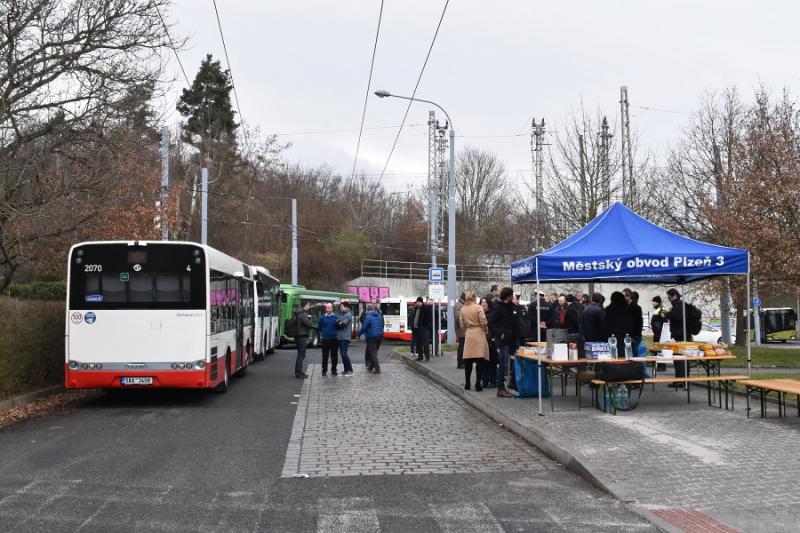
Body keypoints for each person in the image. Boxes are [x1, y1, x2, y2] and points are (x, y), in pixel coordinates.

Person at [488, 287, 519, 398]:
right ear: (508, 296)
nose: (513, 297)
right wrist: (499, 333)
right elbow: (490, 322)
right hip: (503, 341)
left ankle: (513, 383)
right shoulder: (498, 307)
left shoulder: (511, 307)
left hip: (513, 340)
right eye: (512, 295)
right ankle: (500, 388)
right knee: (503, 363)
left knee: (515, 362)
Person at [459, 291, 489, 391]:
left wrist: (467, 330)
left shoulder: (463, 309)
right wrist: (485, 330)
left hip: (469, 334)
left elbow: (462, 324)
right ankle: (478, 384)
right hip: (479, 333)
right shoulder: (478, 307)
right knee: (480, 360)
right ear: (474, 297)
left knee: (468, 360)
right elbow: (483, 321)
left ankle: (467, 383)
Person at [662, 288, 692, 384]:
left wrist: (667, 314)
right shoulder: (679, 304)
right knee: (680, 358)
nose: (668, 298)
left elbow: (676, 317)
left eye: (669, 296)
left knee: (679, 359)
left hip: (681, 334)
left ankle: (681, 380)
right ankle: (681, 380)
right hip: (682, 333)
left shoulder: (678, 304)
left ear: (674, 295)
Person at [359, 303, 384, 374]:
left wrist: (358, 334)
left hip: (372, 337)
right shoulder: (379, 315)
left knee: (373, 353)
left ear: (367, 310)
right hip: (380, 336)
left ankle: (377, 369)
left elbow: (364, 327)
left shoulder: (368, 317)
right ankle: (371, 367)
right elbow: (382, 325)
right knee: (374, 352)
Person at [480, 297, 498, 388]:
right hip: (481, 341)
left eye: (485, 302)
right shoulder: (479, 314)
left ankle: (493, 380)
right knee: (483, 362)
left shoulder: (493, 314)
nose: (483, 304)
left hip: (492, 342)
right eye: (482, 302)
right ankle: (484, 380)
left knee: (492, 362)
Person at [318, 303, 339, 376]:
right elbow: (320, 327)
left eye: (329, 308)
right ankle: (324, 370)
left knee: (334, 356)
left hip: (334, 339)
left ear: (332, 309)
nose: (327, 309)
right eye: (326, 308)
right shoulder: (322, 318)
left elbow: (338, 327)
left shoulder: (336, 317)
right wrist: (324, 332)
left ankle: (334, 370)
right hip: (325, 339)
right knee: (325, 356)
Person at [293, 302, 313, 378]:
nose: (309, 306)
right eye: (309, 305)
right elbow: (309, 324)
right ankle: (298, 373)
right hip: (302, 336)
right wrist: (310, 318)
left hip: (298, 335)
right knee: (301, 355)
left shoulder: (297, 313)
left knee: (300, 355)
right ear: (306, 305)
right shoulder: (303, 314)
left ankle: (299, 371)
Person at [410, 297, 431, 362]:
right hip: (416, 328)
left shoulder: (425, 308)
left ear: (421, 302)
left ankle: (427, 356)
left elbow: (428, 319)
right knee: (418, 343)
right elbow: (413, 317)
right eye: (417, 302)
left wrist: (424, 326)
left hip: (423, 328)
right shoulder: (416, 308)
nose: (417, 303)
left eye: (418, 302)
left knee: (425, 343)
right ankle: (420, 356)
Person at [337, 302, 354, 376]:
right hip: (340, 337)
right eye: (340, 307)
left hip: (345, 337)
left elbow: (342, 325)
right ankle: (346, 370)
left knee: (344, 353)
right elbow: (337, 323)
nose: (341, 308)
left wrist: (339, 323)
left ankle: (350, 370)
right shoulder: (342, 314)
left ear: (346, 307)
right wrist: (338, 323)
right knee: (342, 354)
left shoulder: (348, 315)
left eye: (342, 307)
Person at [627, 290, 644, 356]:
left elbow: (635, 323)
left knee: (632, 353)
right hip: (636, 335)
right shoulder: (638, 307)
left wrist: (633, 336)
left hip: (633, 335)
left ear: (630, 297)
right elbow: (640, 322)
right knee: (634, 352)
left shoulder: (631, 307)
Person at [454, 293, 466, 369]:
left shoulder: (461, 304)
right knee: (461, 347)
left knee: (463, 347)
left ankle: (462, 362)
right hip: (461, 330)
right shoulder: (459, 305)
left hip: (462, 329)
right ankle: (460, 363)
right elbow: (458, 317)